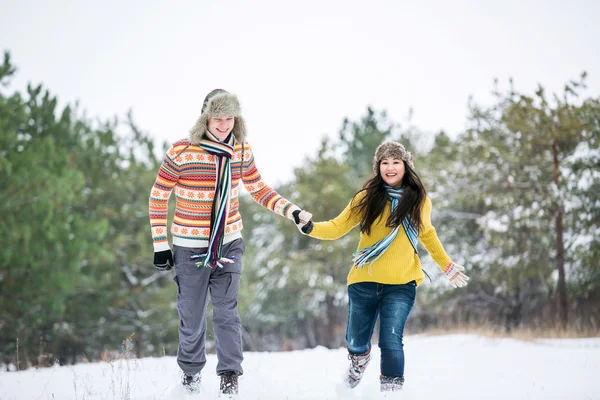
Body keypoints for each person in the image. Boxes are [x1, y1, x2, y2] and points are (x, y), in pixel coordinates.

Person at [148, 89, 311, 395]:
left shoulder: (241, 150)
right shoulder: (182, 152)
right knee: (192, 315)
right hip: (189, 247)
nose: (224, 124)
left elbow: (259, 188)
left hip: (229, 243)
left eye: (229, 117)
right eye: (217, 117)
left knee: (226, 311)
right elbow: (158, 196)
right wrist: (160, 244)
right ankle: (192, 373)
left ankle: (229, 376)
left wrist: (294, 212)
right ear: (204, 117)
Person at [293, 141, 469, 392]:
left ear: (406, 166)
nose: (390, 167)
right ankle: (359, 360)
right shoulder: (366, 198)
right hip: (364, 281)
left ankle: (392, 394)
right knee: (355, 341)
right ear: (378, 167)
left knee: (391, 341)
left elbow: (427, 235)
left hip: (401, 284)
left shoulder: (419, 201)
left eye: (396, 162)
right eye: (384, 163)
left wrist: (447, 266)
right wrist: (310, 227)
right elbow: (337, 227)